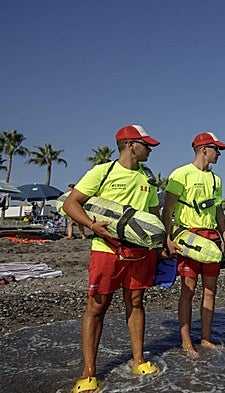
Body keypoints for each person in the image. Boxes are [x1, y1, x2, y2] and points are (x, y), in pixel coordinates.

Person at [63, 125, 162, 392]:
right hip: (106, 250)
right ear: (130, 144)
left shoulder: (148, 178)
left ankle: (138, 359)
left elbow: (153, 216)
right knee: (97, 307)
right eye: (146, 144)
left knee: (136, 301)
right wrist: (92, 226)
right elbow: (71, 204)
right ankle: (89, 373)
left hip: (139, 252)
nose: (150, 149)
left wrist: (160, 245)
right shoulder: (102, 171)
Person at [162, 131, 225, 358]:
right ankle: (186, 342)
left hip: (211, 241)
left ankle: (205, 338)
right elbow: (168, 209)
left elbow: (219, 212)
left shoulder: (216, 179)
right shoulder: (180, 174)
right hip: (189, 240)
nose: (219, 154)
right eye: (217, 149)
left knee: (210, 292)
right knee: (188, 291)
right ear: (204, 149)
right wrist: (167, 239)